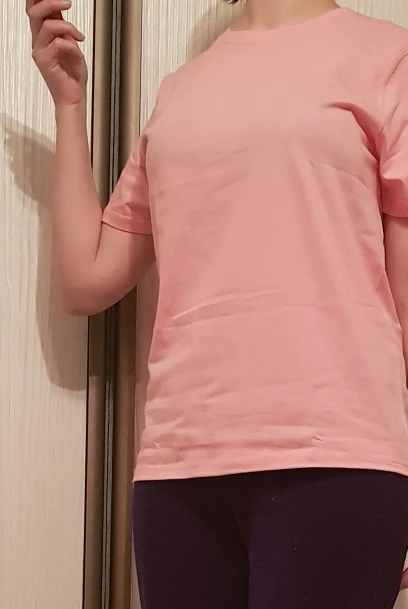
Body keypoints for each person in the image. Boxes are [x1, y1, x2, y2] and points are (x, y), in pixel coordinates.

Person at [26, 0, 408, 607]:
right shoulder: (180, 92)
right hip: (177, 469)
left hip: (337, 457)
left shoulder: (389, 58)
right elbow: (86, 279)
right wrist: (69, 104)